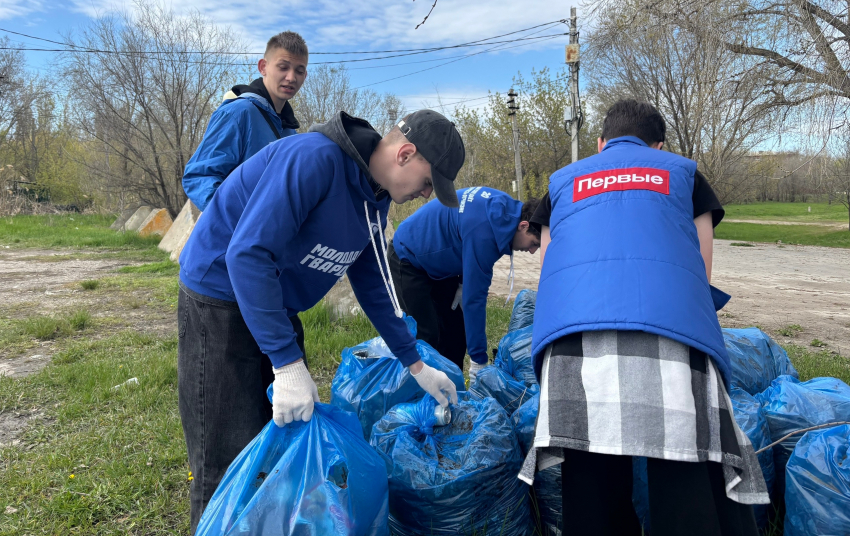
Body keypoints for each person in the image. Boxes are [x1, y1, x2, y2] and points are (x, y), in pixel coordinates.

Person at [178, 109, 465, 533]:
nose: (426, 194)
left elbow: (371, 280)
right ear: (405, 154)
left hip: (275, 302)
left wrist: (415, 364)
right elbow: (247, 255)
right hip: (219, 297)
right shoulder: (314, 159)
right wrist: (286, 363)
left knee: (279, 435)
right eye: (428, 183)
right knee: (225, 452)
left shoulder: (374, 197)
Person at [519, 100, 768, 536]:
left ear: (600, 143)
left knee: (591, 484)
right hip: (670, 335)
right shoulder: (681, 172)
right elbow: (700, 271)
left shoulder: (560, 183)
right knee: (683, 474)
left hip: (573, 343)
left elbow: (551, 275)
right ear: (659, 145)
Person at [182, 30, 308, 366]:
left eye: (300, 70)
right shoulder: (239, 113)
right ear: (263, 66)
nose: (291, 77)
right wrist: (240, 226)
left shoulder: (288, 129)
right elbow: (199, 176)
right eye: (283, 67)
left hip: (266, 270)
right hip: (226, 265)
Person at [388, 187, 541, 375]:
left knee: (455, 334)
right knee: (427, 336)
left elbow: (461, 235)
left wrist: (461, 282)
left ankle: (454, 391)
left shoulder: (506, 212)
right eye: (534, 243)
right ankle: (423, 397)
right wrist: (478, 361)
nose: (533, 251)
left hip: (440, 264)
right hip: (408, 256)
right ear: (523, 226)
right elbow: (474, 300)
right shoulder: (486, 233)